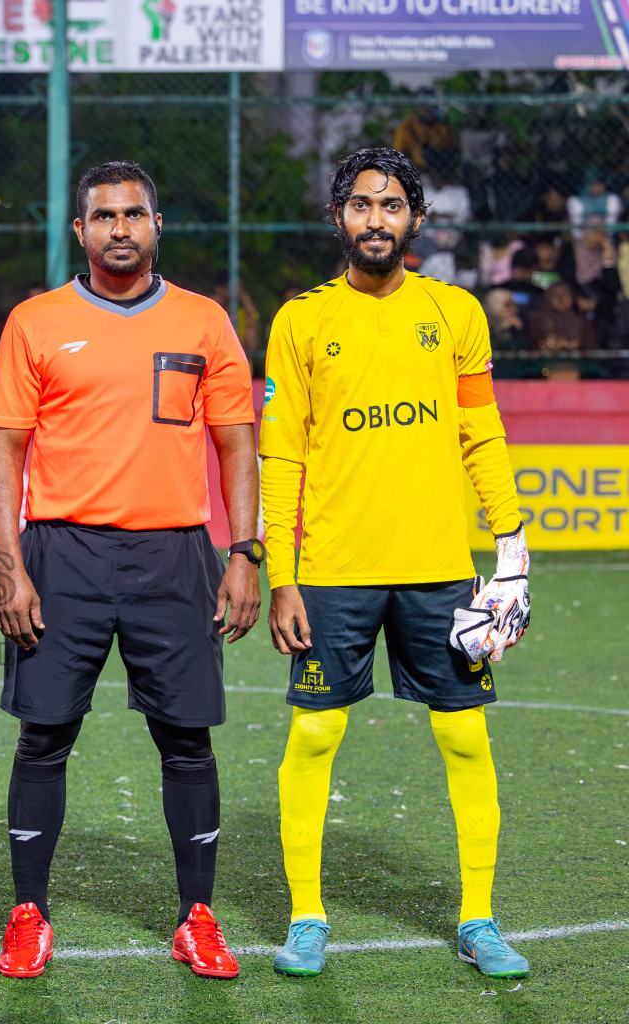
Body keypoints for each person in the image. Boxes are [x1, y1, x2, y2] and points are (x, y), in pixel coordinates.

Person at [261, 147, 532, 981]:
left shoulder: (455, 313)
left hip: (439, 571)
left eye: (390, 205)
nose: (375, 219)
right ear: (337, 217)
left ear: (415, 218)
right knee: (314, 733)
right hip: (335, 572)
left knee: (465, 740)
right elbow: (282, 459)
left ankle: (478, 917)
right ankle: (308, 916)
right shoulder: (301, 320)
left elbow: (480, 433)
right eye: (360, 204)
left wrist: (512, 547)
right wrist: (283, 574)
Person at [0, 161, 260, 981]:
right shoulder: (36, 322)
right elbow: (4, 449)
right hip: (60, 551)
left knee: (186, 742)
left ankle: (196, 917)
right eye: (103, 215)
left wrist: (243, 553)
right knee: (44, 738)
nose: (119, 228)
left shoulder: (204, 322)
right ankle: (29, 913)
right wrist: (10, 565)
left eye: (133, 213)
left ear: (157, 223)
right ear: (80, 231)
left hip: (174, 553)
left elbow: (237, 443)